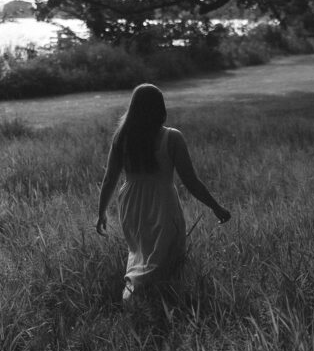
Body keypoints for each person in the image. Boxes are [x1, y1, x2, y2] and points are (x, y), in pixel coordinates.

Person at [96, 83, 231, 302]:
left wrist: (101, 212)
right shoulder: (172, 137)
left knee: (140, 254)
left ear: (134, 108)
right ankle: (139, 301)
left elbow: (110, 178)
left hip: (131, 202)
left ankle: (139, 299)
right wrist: (216, 207)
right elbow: (191, 181)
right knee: (166, 255)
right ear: (160, 108)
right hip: (162, 201)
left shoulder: (122, 136)